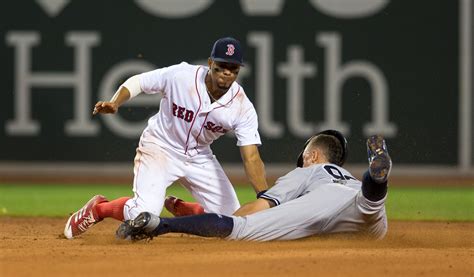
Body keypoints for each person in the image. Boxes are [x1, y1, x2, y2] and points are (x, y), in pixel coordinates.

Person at [63, 37, 268, 239]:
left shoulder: (242, 107)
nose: (227, 73)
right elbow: (139, 82)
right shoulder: (182, 76)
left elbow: (251, 157)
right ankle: (99, 209)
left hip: (199, 156)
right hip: (160, 147)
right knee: (143, 215)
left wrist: (265, 197)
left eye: (233, 69)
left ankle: (189, 211)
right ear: (210, 63)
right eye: (222, 66)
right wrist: (116, 102)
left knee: (230, 222)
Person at [116, 131, 392, 241]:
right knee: (371, 204)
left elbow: (258, 209)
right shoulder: (343, 176)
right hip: (364, 205)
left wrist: (215, 223)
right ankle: (377, 179)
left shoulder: (309, 171)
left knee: (240, 230)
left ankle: (158, 225)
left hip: (324, 203)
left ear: (313, 156)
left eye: (303, 158)